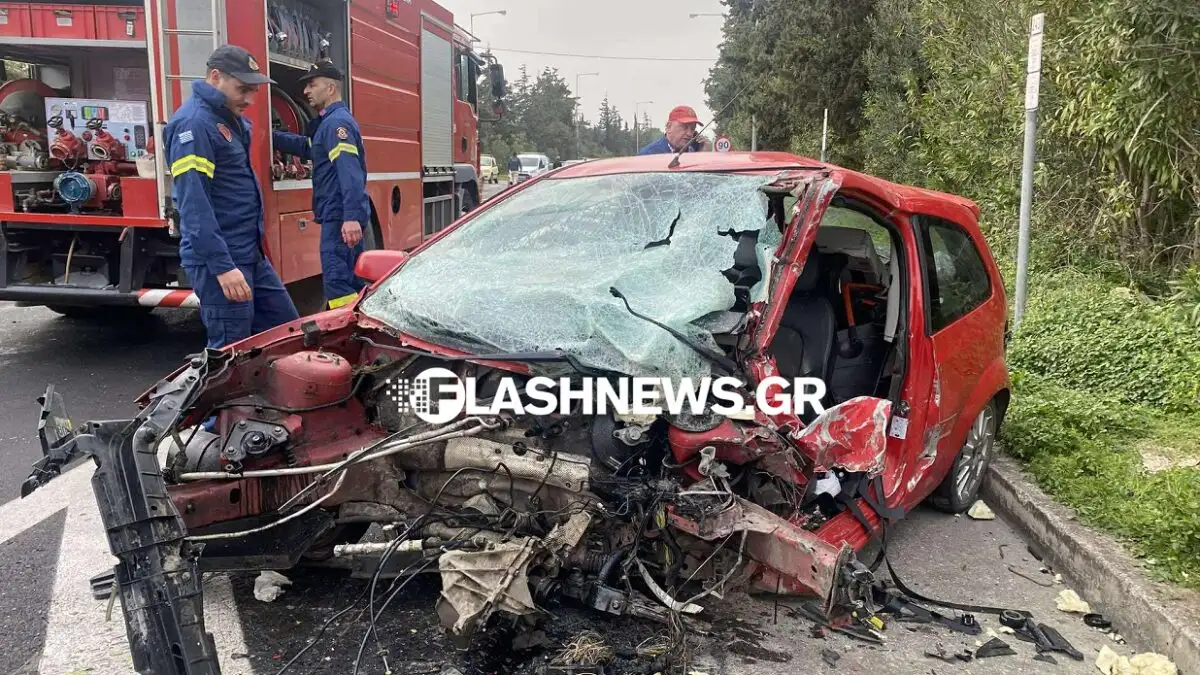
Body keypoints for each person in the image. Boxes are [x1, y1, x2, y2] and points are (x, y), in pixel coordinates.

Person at [165, 45, 299, 349]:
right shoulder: (194, 125)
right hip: (223, 258)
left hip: (248, 254)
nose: (250, 99)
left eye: (253, 91)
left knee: (286, 333)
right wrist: (223, 267)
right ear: (216, 77)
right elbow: (194, 205)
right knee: (232, 352)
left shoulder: (225, 119)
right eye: (243, 89)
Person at [271, 59, 372, 309]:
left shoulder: (336, 125)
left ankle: (346, 327)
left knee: (338, 281)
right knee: (351, 279)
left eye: (312, 85)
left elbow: (350, 173)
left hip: (338, 217)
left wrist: (350, 217)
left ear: (330, 88)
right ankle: (359, 321)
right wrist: (271, 137)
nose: (306, 91)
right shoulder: (330, 123)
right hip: (338, 215)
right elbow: (310, 148)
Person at [637, 105, 712, 156]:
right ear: (669, 127)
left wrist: (702, 157)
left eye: (692, 129)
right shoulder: (649, 154)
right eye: (684, 127)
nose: (689, 134)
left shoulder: (695, 150)